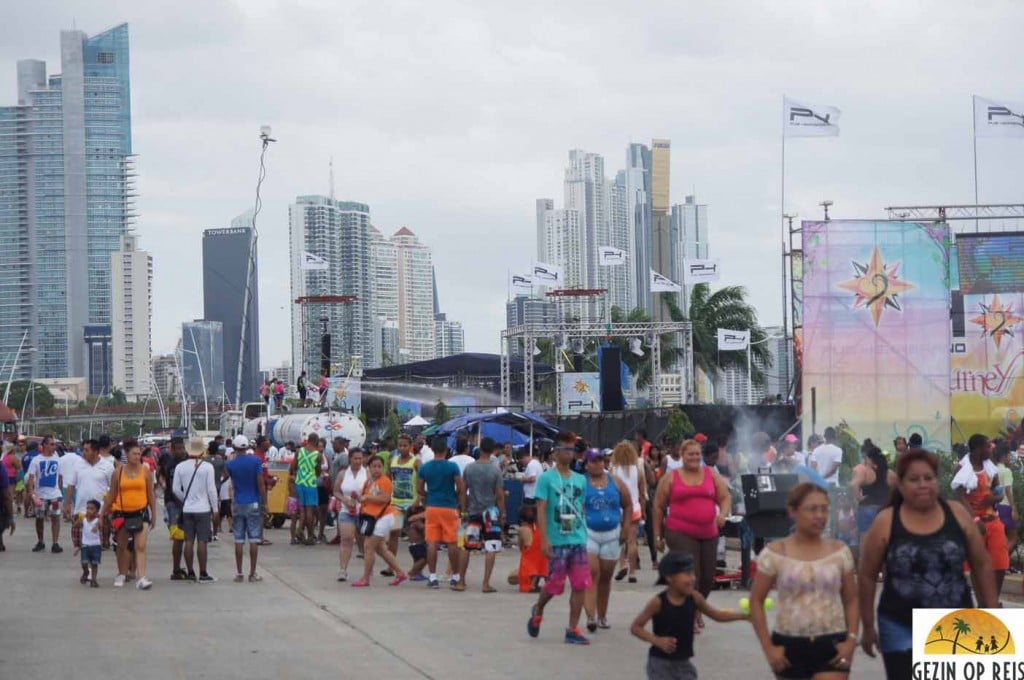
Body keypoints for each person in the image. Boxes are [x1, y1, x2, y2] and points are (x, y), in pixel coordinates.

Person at [859, 449, 998, 679]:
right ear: (901, 486)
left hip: (956, 625)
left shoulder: (958, 514)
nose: (922, 484)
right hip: (900, 626)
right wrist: (868, 626)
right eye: (913, 479)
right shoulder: (886, 521)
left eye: (928, 478)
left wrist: (992, 613)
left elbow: (982, 564)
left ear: (937, 481)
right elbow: (866, 575)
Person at [749, 483, 859, 679]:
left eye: (824, 509)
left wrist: (851, 640)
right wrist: (768, 647)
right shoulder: (775, 553)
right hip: (788, 644)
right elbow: (756, 600)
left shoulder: (839, 552)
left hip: (832, 642)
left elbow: (851, 599)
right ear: (793, 511)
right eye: (812, 509)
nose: (819, 516)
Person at [652, 438, 732, 630]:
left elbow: (725, 496)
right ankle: (687, 616)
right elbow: (658, 506)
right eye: (690, 454)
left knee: (707, 577)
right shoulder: (672, 477)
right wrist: (657, 536)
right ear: (682, 456)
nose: (694, 457)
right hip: (679, 531)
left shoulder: (710, 473)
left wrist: (722, 514)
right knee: (691, 573)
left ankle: (696, 609)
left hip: (708, 531)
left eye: (697, 454)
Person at [631, 551, 749, 680]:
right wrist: (657, 641)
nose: (692, 578)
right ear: (670, 577)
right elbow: (636, 627)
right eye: (687, 574)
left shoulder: (695, 598)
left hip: (684, 664)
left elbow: (717, 615)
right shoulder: (658, 602)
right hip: (660, 663)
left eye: (693, 573)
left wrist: (744, 616)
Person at [526, 431, 593, 646]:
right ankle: (538, 609)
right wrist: (544, 539)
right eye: (565, 448)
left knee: (580, 584)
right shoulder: (546, 479)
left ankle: (573, 628)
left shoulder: (580, 479)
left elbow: (582, 507)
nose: (569, 453)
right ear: (555, 453)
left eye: (572, 449)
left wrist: (587, 532)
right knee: (554, 585)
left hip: (578, 538)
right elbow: (541, 510)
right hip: (557, 539)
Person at [953, 434, 1010, 601]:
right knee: (977, 566)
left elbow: (998, 491)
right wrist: (975, 520)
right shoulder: (962, 468)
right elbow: (960, 496)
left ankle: (992, 600)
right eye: (988, 446)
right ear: (978, 448)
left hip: (993, 521)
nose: (991, 449)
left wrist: (995, 498)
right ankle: (983, 604)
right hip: (973, 525)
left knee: (1000, 564)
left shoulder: (991, 468)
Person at [582, 448, 630, 632]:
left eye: (601, 460)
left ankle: (602, 615)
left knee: (606, 577)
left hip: (612, 534)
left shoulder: (615, 481)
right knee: (592, 573)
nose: (598, 464)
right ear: (587, 464)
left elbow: (627, 504)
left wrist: (625, 528)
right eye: (594, 461)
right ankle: (590, 616)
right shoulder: (582, 483)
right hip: (589, 533)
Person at [102, 440, 157, 589]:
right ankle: (122, 573)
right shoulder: (118, 472)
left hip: (141, 511)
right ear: (127, 454)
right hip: (122, 512)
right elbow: (112, 494)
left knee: (140, 546)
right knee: (122, 546)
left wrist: (154, 513)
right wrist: (102, 513)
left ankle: (142, 577)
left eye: (139, 454)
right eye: (134, 453)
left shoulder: (145, 471)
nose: (137, 456)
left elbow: (150, 494)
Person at [416, 436, 466, 589]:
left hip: (432, 507)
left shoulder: (425, 468)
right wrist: (458, 500)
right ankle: (456, 575)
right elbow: (461, 487)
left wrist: (427, 496)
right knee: (452, 542)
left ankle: (432, 577)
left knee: (432, 542)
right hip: (449, 507)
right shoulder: (452, 467)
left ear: (432, 449)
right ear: (446, 450)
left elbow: (419, 489)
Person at [351, 456, 407, 587]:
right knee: (381, 549)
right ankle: (400, 573)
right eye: (374, 466)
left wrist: (366, 497)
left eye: (379, 466)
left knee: (368, 546)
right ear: (369, 468)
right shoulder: (369, 481)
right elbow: (366, 498)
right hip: (374, 517)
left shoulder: (385, 481)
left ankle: (366, 578)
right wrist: (358, 498)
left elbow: (384, 499)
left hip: (385, 516)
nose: (377, 469)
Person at [459, 437, 506, 593]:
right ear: (492, 450)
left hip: (473, 512)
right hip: (490, 513)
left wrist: (464, 509)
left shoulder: (470, 468)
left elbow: (463, 491)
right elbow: (499, 495)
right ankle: (485, 583)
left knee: (467, 547)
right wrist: (503, 512)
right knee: (491, 547)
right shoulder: (495, 470)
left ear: (480, 449)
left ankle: (461, 581)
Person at [172, 437, 220, 583]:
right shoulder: (207, 467)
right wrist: (215, 508)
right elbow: (211, 490)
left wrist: (185, 498)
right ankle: (203, 573)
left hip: (187, 509)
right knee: (202, 541)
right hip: (203, 508)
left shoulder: (180, 467)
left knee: (188, 540)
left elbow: (175, 489)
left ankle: (191, 572)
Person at [226, 438, 267, 583]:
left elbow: (226, 478)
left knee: (239, 539)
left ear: (234, 447)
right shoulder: (255, 461)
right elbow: (260, 484)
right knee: (254, 538)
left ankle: (239, 573)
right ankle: (252, 573)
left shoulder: (230, 464)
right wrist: (264, 502)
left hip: (238, 502)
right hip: (253, 502)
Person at [611, 440, 646, 584]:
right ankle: (632, 572)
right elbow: (642, 493)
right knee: (632, 542)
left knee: (619, 540)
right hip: (635, 508)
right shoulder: (637, 471)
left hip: (618, 509)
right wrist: (643, 511)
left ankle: (622, 564)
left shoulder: (613, 470)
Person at [850, 445, 896, 548]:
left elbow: (853, 484)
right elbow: (900, 488)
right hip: (883, 509)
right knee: (885, 540)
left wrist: (859, 498)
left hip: (867, 507)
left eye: (866, 458)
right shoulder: (890, 473)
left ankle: (865, 563)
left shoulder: (865, 472)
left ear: (870, 459)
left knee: (864, 541)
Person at [25, 435, 63, 553]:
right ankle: (40, 541)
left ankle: (55, 543)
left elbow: (60, 477)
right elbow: (31, 478)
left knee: (55, 518)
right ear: (44, 445)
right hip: (40, 496)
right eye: (51, 444)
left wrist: (60, 492)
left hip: (54, 495)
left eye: (54, 444)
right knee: (39, 519)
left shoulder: (57, 459)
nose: (54, 447)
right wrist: (32, 494)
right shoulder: (36, 460)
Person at [333, 448, 366, 582]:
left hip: (364, 511)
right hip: (347, 510)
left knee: (366, 542)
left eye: (360, 458)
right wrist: (345, 500)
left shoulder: (367, 473)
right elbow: (336, 491)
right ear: (350, 459)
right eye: (355, 458)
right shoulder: (343, 474)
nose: (358, 461)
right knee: (346, 539)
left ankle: (367, 569)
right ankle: (343, 569)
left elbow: (374, 490)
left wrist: (363, 498)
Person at [386, 434, 418, 572]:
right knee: (394, 533)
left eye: (405, 445)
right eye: (400, 445)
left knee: (414, 535)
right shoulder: (393, 460)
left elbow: (422, 482)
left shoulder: (416, 462)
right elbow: (388, 479)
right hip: (396, 503)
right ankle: (391, 565)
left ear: (410, 447)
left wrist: (419, 499)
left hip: (412, 503)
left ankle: (417, 566)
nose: (402, 448)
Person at [158, 437, 189, 579]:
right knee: (178, 537)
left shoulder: (185, 462)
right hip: (174, 503)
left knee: (184, 537)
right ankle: (176, 569)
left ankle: (180, 568)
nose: (182, 451)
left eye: (183, 448)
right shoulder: (172, 464)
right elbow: (172, 486)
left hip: (182, 501)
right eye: (179, 448)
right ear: (172, 449)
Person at [290, 433, 325, 545]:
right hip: (310, 483)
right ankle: (310, 535)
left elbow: (293, 467)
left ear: (308, 440)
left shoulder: (299, 451)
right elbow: (318, 471)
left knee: (302, 509)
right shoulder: (318, 455)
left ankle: (300, 531)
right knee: (309, 511)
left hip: (299, 481)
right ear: (316, 441)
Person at [992, 443, 1018, 554]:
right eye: (1008, 455)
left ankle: (1000, 563)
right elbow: (1008, 491)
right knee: (1013, 538)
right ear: (1004, 456)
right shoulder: (1007, 471)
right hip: (1006, 507)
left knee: (1002, 539)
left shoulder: (993, 469)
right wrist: (1014, 508)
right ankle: (1003, 562)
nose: (1010, 458)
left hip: (995, 507)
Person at [516, 504, 547, 593]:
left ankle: (532, 585)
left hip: (529, 555)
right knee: (542, 566)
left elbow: (520, 545)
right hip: (541, 554)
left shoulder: (523, 529)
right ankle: (544, 582)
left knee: (531, 567)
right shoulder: (539, 529)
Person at [75, 499, 103, 587]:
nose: (88, 511)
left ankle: (93, 580)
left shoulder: (98, 520)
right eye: (87, 508)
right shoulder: (84, 519)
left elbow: (101, 525)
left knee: (95, 564)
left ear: (97, 511)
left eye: (91, 509)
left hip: (96, 545)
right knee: (84, 562)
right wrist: (79, 519)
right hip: (85, 545)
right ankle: (86, 571)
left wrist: (97, 526)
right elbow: (76, 525)